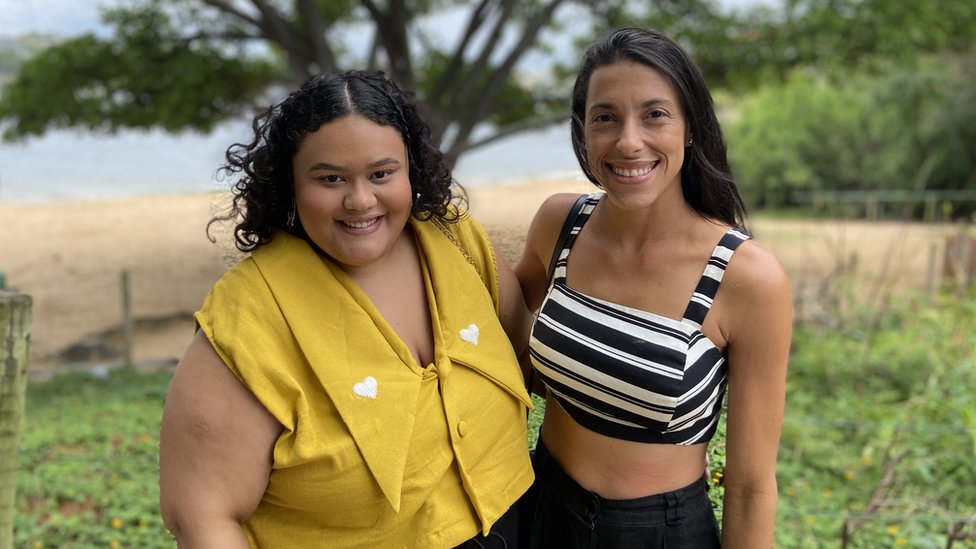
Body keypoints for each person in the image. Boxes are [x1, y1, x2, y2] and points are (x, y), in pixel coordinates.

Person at [159, 70, 535, 548]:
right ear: (290, 184)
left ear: (410, 171)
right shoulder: (249, 312)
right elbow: (201, 516)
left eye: (381, 174)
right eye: (330, 178)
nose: (360, 201)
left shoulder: (458, 242)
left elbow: (531, 357)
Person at [513, 27, 792, 548]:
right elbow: (494, 323)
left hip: (657, 533)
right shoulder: (560, 225)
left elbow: (752, 487)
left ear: (690, 128)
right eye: (605, 118)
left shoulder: (746, 278)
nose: (628, 141)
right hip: (541, 505)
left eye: (655, 114)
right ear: (583, 131)